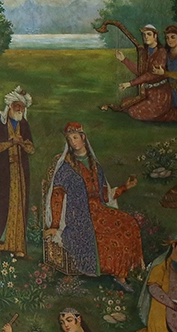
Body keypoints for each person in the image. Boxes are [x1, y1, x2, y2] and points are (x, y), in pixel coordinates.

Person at [43, 122, 142, 287]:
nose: (73, 142)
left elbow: (106, 196)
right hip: (78, 214)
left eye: (75, 137)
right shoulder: (66, 168)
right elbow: (57, 196)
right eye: (70, 139)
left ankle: (121, 274)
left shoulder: (96, 166)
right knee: (105, 233)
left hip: (99, 209)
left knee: (128, 223)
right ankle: (113, 272)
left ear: (83, 138)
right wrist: (54, 225)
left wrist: (125, 187)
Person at [0, 86, 35, 256]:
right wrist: (10, 143)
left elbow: (31, 148)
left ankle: (15, 244)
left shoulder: (23, 124)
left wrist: (21, 143)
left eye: (22, 107)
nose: (19, 110)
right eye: (16, 106)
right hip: (0, 173)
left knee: (19, 205)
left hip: (19, 173)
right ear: (10, 106)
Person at [107, 24, 177, 121]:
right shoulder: (145, 52)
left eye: (149, 34)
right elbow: (141, 71)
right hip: (147, 93)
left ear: (155, 36)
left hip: (160, 95)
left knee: (134, 111)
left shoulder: (161, 52)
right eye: (144, 35)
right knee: (125, 103)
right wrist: (124, 60)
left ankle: (172, 114)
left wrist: (130, 83)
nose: (146, 37)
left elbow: (150, 75)